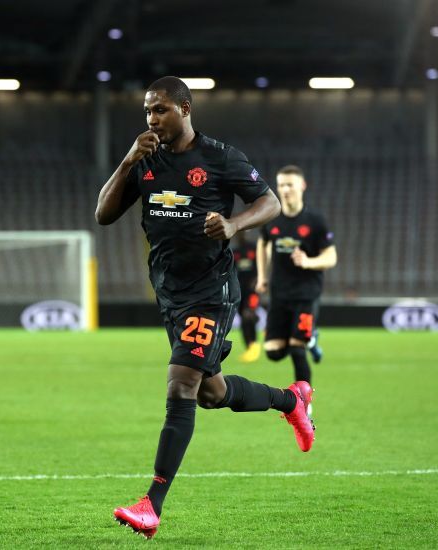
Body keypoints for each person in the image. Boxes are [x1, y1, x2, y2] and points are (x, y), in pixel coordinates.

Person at [95, 76, 315, 539]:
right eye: (148, 112)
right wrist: (127, 159)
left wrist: (234, 224)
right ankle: (291, 400)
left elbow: (269, 202)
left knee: (181, 387)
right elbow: (104, 213)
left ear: (185, 109)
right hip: (170, 294)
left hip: (211, 291)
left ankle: (151, 505)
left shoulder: (219, 157)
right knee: (211, 393)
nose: (152, 120)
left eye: (160, 111)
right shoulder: (145, 159)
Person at [256, 165, 337, 384]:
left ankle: (304, 406)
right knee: (273, 352)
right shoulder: (272, 217)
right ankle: (311, 338)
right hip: (279, 293)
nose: (285, 189)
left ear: (302, 186)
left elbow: (331, 257)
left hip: (306, 294)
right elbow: (263, 243)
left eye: (289, 184)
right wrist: (262, 276)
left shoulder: (315, 221)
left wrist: (308, 261)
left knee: (296, 349)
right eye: (281, 185)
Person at [232, 233, 261, 362]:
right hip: (240, 291)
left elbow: (262, 266)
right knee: (244, 318)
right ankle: (249, 347)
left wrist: (258, 280)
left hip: (252, 291)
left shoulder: (254, 249)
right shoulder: (235, 251)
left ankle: (254, 344)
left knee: (247, 314)